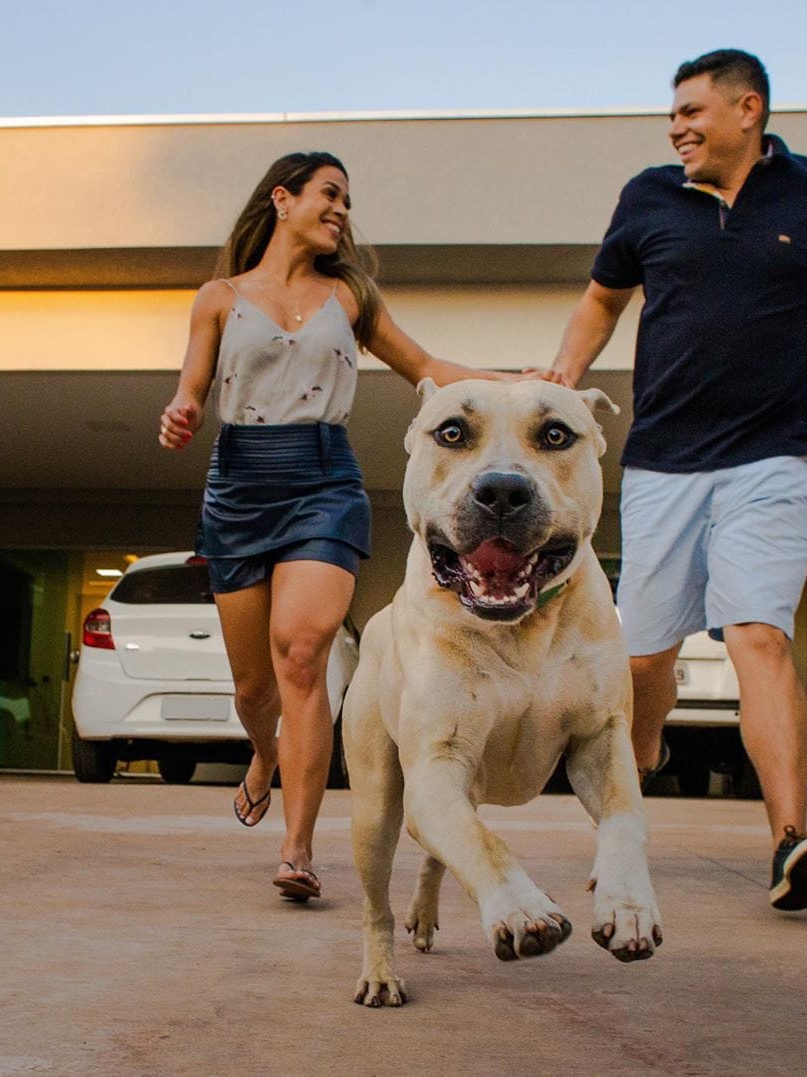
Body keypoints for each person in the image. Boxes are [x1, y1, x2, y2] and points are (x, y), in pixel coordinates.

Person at [547, 50, 807, 911]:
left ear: (746, 109)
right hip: (663, 464)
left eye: (690, 111)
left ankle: (791, 838)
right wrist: (564, 372)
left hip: (773, 456)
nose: (675, 127)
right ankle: (633, 792)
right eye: (671, 114)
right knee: (643, 660)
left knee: (760, 634)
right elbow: (604, 298)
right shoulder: (649, 197)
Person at [159, 150, 517, 902]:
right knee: (255, 686)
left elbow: (422, 364)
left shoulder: (349, 297)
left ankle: (297, 849)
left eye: (347, 199)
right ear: (282, 200)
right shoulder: (218, 299)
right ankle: (264, 753)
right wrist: (184, 411)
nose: (341, 209)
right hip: (240, 484)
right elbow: (192, 388)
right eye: (329, 194)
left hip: (323, 480)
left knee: (303, 655)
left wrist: (513, 381)